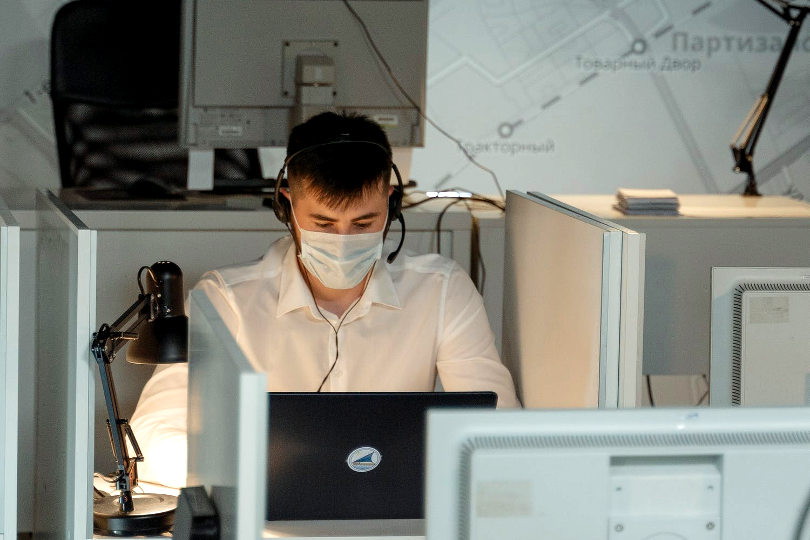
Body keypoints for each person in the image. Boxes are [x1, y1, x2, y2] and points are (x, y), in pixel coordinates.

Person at [129, 112, 519, 488]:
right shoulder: (227, 299)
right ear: (286, 203)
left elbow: (500, 431)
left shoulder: (441, 289)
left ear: (391, 201)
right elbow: (153, 435)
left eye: (364, 224)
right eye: (324, 224)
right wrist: (255, 471)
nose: (343, 240)